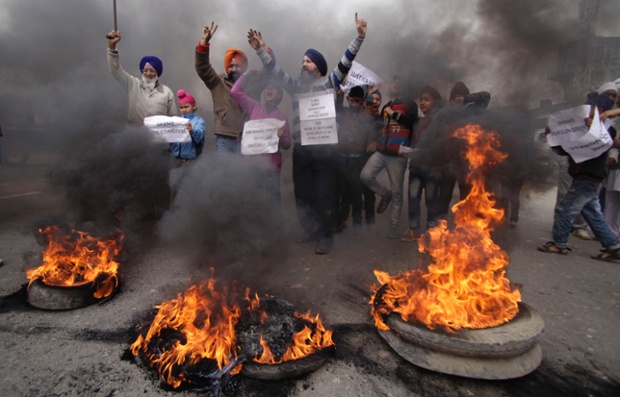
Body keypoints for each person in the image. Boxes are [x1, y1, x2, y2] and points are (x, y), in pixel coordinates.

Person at [247, 13, 368, 254]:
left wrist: (359, 37)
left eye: (309, 61)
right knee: (303, 195)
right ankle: (310, 230)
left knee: (324, 195)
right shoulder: (296, 86)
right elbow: (276, 71)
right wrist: (262, 51)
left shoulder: (329, 84)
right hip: (301, 150)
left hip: (324, 151)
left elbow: (345, 62)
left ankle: (325, 236)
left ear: (319, 69)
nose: (304, 64)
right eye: (303, 61)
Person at [538, 93, 620, 261]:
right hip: (585, 176)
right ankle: (613, 246)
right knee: (592, 213)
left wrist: (594, 128)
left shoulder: (606, 129)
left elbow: (599, 145)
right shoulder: (582, 125)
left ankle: (559, 244)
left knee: (565, 210)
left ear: (600, 110)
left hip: (589, 176)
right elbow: (566, 149)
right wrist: (552, 134)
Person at [360, 76, 419, 239]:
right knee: (365, 176)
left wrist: (393, 114)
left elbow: (411, 123)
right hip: (381, 151)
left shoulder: (410, 105)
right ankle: (385, 194)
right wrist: (370, 96)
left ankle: (394, 229)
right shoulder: (387, 105)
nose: (395, 84)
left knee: (398, 193)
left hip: (397, 155)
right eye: (393, 82)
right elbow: (375, 123)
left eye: (398, 82)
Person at [231, 71, 291, 203]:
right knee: (252, 202)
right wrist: (245, 75)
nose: (268, 90)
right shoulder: (254, 106)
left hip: (271, 168)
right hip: (252, 165)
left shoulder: (282, 117)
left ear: (279, 95)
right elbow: (235, 92)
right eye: (267, 88)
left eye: (273, 88)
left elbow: (287, 144)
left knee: (271, 203)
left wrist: (281, 138)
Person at [436, 81, 492, 218]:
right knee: (444, 195)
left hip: (466, 162)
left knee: (466, 196)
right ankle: (439, 224)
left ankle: (464, 225)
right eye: (454, 98)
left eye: (460, 97)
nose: (457, 101)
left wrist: (466, 99)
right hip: (448, 162)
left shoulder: (473, 111)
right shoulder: (446, 114)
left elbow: (486, 96)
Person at [195, 22, 249, 155]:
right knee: (224, 175)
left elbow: (269, 74)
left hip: (246, 139)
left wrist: (262, 50)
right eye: (231, 66)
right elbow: (202, 67)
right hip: (224, 139)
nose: (234, 69)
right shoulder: (218, 82)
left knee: (244, 175)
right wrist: (204, 44)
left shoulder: (250, 83)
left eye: (238, 66)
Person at [106, 31, 177, 125]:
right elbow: (115, 70)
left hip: (159, 138)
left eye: (152, 70)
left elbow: (174, 119)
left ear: (158, 72)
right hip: (136, 137)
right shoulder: (133, 85)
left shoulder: (167, 92)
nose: (148, 73)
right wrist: (112, 47)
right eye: (145, 70)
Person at [402, 85, 442, 241]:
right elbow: (414, 142)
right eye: (421, 100)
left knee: (431, 199)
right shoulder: (419, 122)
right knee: (413, 198)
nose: (422, 103)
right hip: (416, 167)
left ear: (436, 102)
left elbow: (441, 145)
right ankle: (414, 230)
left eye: (427, 100)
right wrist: (407, 150)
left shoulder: (439, 121)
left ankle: (432, 231)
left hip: (431, 169)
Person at [334, 85, 374, 238]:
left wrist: (371, 144)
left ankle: (357, 223)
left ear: (362, 101)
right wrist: (341, 93)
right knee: (341, 191)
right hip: (342, 157)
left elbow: (371, 134)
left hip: (358, 159)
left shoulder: (366, 116)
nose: (353, 104)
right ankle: (341, 220)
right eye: (351, 101)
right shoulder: (344, 113)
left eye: (357, 101)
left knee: (356, 191)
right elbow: (336, 109)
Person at [169, 90, 206, 164]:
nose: (184, 110)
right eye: (181, 107)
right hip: (176, 160)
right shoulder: (176, 121)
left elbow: (200, 137)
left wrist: (192, 130)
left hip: (192, 160)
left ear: (194, 106)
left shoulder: (199, 121)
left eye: (186, 107)